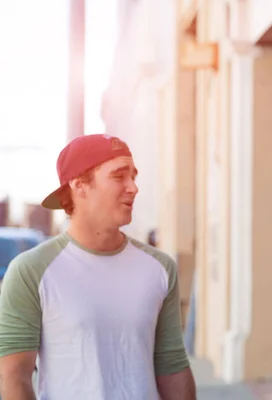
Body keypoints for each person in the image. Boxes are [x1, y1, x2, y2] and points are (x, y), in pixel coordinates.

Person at [0, 134, 196, 400]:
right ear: (80, 185)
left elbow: (172, 364)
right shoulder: (31, 271)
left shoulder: (160, 268)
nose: (133, 188)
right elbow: (13, 377)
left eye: (134, 177)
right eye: (119, 176)